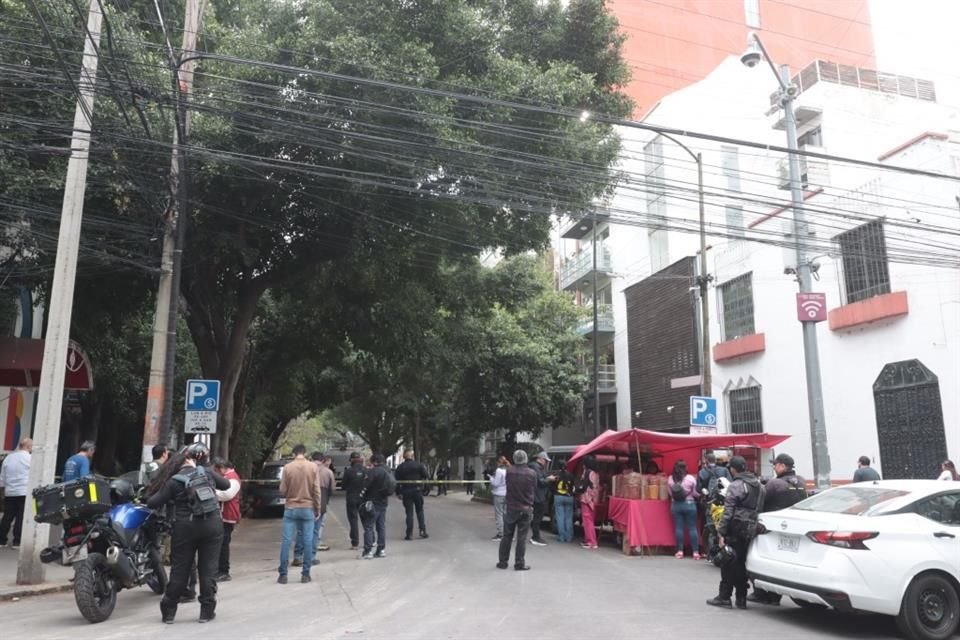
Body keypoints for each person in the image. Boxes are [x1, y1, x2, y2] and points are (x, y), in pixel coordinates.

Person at [147, 443, 229, 624]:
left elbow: (152, 502)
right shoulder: (206, 473)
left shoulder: (174, 481)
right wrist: (203, 470)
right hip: (212, 525)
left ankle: (169, 612)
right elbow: (226, 484)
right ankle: (206, 612)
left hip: (185, 527)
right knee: (208, 570)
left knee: (180, 570)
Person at [706, 456, 764, 610]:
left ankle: (724, 596)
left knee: (728, 561)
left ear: (732, 469)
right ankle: (741, 598)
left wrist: (721, 532)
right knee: (741, 563)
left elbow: (728, 511)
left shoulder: (736, 485)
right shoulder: (759, 486)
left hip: (735, 528)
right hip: (751, 528)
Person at [749, 453, 808, 605]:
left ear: (782, 466)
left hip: (772, 527)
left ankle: (762, 594)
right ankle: (776, 596)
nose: (774, 467)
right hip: (796, 528)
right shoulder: (801, 481)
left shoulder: (774, 484)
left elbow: (760, 503)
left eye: (775, 465)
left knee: (765, 560)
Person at [275, 445, 321, 584]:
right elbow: (316, 490)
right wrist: (317, 508)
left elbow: (282, 490)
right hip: (307, 507)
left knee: (286, 541)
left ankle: (283, 575)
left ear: (294, 453)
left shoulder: (288, 467)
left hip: (291, 507)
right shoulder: (313, 467)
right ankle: (305, 574)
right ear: (305, 453)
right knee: (308, 541)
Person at [497, 450, 537, 571]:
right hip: (526, 507)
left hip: (511, 507)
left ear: (514, 459)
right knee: (522, 537)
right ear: (526, 459)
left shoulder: (509, 472)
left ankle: (503, 562)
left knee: (507, 535)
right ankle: (519, 563)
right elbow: (534, 488)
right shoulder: (532, 473)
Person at [294, 452, 334, 565]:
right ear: (323, 460)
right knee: (315, 531)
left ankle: (298, 557)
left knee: (301, 531)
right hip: (320, 504)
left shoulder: (302, 470)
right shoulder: (328, 472)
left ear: (311, 459)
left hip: (303, 504)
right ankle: (310, 557)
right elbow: (332, 489)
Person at [213, 458, 241, 582]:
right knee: (221, 543)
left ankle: (224, 571)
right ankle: (219, 569)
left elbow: (227, 495)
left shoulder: (233, 478)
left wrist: (211, 492)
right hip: (223, 515)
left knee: (223, 544)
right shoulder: (227, 477)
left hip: (228, 515)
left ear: (222, 467)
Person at [0, 437, 32, 549]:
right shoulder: (30, 458)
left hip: (10, 492)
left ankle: (1, 540)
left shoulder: (9, 458)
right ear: (28, 446)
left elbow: (2, 477)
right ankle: (17, 542)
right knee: (20, 517)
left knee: (7, 516)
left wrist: (3, 489)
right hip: (24, 491)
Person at [360, 454, 391, 559]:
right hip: (383, 502)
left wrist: (361, 496)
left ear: (375, 461)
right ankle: (381, 550)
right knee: (381, 527)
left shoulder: (373, 472)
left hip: (372, 502)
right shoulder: (388, 472)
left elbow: (365, 486)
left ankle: (368, 551)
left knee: (368, 526)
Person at [394, 449, 429, 540]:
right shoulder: (419, 465)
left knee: (409, 513)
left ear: (404, 457)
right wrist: (426, 488)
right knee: (420, 511)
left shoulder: (400, 467)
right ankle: (422, 531)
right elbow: (426, 476)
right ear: (412, 456)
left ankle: (409, 534)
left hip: (406, 491)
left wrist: (398, 492)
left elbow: (397, 481)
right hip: (417, 491)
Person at [667, 460, 699, 559]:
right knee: (692, 528)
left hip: (676, 505)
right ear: (686, 468)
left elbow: (670, 493)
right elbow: (695, 493)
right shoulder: (691, 478)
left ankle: (680, 551)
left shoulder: (670, 479)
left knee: (679, 528)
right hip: (689, 504)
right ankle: (695, 552)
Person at [528, 451, 556, 546]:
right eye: (545, 460)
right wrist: (549, 479)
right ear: (540, 459)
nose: (546, 462)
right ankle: (535, 537)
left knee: (538, 517)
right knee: (537, 517)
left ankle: (536, 536)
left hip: (538, 495)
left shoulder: (536, 467)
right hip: (538, 495)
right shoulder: (536, 467)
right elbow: (541, 482)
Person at [341, 452, 366, 550]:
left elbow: (343, 486)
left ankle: (355, 543)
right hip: (364, 498)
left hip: (351, 498)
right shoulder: (366, 470)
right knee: (366, 520)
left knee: (353, 521)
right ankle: (370, 540)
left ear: (351, 460)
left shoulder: (349, 471)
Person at [578, 456, 600, 550]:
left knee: (587, 522)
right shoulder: (595, 473)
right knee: (590, 521)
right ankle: (591, 541)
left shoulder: (587, 472)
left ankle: (591, 542)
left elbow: (583, 486)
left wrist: (577, 489)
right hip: (593, 499)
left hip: (586, 499)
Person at [552, 465, 575, 543]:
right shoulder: (571, 475)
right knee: (568, 518)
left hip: (558, 497)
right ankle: (568, 537)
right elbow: (573, 486)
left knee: (560, 517)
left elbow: (552, 486)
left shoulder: (557, 475)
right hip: (569, 497)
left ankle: (561, 537)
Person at [489, 456, 509, 540]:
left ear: (498, 462)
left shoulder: (499, 470)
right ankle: (507, 533)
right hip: (507, 494)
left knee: (499, 514)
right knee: (505, 514)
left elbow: (496, 483)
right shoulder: (508, 470)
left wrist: (491, 478)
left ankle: (501, 533)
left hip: (499, 494)